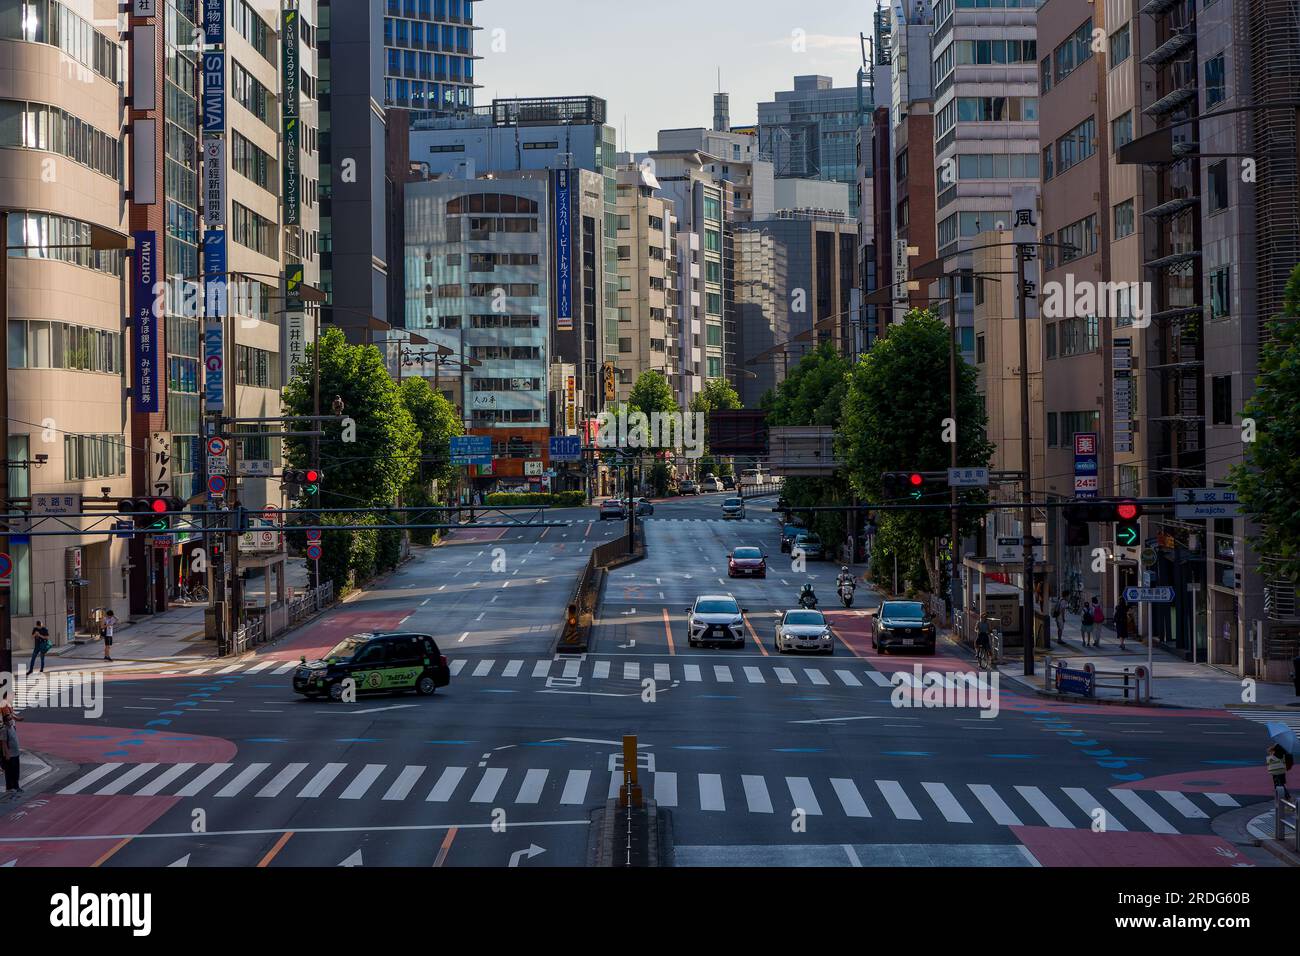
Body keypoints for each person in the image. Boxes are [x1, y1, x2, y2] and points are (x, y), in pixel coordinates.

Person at [1, 705, 22, 797]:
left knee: (16, 770)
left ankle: (16, 786)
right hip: (10, 754)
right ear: (5, 722)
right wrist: (7, 754)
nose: (11, 721)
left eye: (11, 719)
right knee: (10, 771)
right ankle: (10, 787)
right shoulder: (4, 730)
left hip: (16, 752)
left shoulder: (12, 728)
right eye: (9, 720)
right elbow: (4, 743)